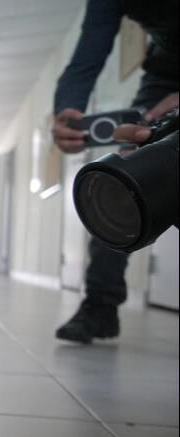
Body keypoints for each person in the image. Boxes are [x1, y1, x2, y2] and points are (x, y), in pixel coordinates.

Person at [51, 0, 178, 344]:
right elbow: (89, 49)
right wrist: (67, 109)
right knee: (123, 183)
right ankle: (100, 307)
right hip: (166, 72)